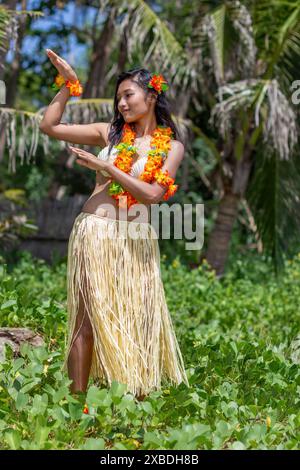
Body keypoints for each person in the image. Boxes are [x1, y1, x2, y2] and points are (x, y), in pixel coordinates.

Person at [39, 49, 189, 401]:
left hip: (136, 238)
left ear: (151, 96)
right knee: (86, 320)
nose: (121, 104)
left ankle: (135, 398)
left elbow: (153, 194)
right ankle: (78, 406)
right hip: (95, 233)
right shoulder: (110, 135)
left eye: (128, 95)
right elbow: (50, 126)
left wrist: (109, 170)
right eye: (118, 97)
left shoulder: (172, 147)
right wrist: (68, 86)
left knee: (137, 318)